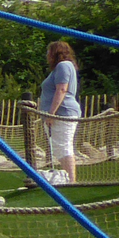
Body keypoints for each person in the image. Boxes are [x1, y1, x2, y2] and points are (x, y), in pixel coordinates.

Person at [39, 41, 82, 184]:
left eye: (49, 52)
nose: (47, 55)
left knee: (64, 147)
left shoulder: (63, 66)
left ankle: (72, 181)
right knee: (60, 148)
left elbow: (62, 89)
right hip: (61, 113)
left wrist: (51, 113)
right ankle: (69, 179)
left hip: (62, 113)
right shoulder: (63, 67)